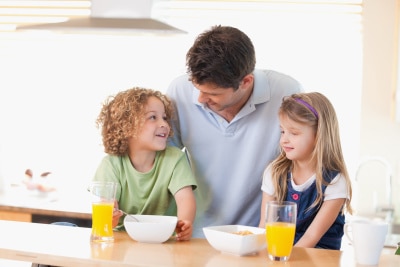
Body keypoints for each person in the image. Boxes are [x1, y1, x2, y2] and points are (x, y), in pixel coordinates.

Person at [166, 25, 303, 237]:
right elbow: (163, 162)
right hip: (195, 235)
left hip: (257, 235)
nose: (200, 99)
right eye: (197, 88)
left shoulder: (286, 93)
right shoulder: (179, 91)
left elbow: (303, 164)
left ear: (246, 82)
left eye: (213, 93)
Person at [92, 87, 197, 241]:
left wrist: (184, 223)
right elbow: (105, 207)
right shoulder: (111, 164)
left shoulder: (175, 159)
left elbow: (185, 199)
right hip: (123, 239)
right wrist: (110, 219)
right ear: (127, 126)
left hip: (164, 240)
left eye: (165, 117)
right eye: (153, 117)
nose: (164, 124)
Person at [258, 92, 353, 250]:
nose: (284, 140)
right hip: (283, 256)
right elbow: (265, 227)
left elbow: (311, 237)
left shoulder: (335, 181)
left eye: (294, 133)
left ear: (319, 135)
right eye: (282, 131)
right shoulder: (275, 172)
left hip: (319, 259)